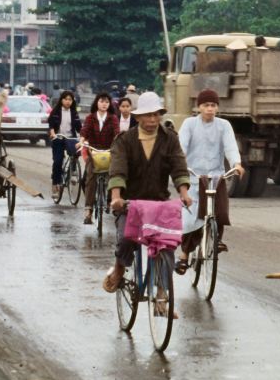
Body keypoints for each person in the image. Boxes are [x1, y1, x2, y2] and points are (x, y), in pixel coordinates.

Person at [102, 92, 192, 298]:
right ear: (138, 117)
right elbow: (117, 171)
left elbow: (179, 167)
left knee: (166, 245)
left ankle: (161, 292)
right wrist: (116, 197)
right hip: (129, 203)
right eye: (147, 115)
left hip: (158, 203)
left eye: (156, 115)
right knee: (126, 238)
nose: (152, 120)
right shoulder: (124, 140)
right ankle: (119, 267)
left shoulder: (170, 139)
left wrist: (184, 193)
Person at [177, 89, 244, 272]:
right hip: (193, 175)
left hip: (216, 175)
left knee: (219, 209)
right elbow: (181, 146)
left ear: (217, 107)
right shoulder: (190, 124)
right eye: (206, 105)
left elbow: (230, 146)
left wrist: (236, 164)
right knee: (191, 217)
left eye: (213, 105)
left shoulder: (224, 125)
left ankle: (217, 240)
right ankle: (184, 255)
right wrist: (179, 163)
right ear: (199, 107)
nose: (209, 109)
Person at [79, 92, 119, 224]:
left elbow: (116, 133)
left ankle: (109, 202)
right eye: (101, 101)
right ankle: (88, 212)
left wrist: (117, 145)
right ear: (97, 102)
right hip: (93, 151)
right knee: (89, 179)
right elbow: (84, 131)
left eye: (107, 102)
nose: (104, 104)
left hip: (109, 152)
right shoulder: (90, 117)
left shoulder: (113, 118)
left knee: (113, 176)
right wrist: (81, 141)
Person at [47, 90, 82, 202]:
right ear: (61, 100)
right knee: (57, 161)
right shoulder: (56, 111)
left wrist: (82, 137)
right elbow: (51, 125)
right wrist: (53, 134)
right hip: (58, 138)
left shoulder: (74, 112)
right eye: (66, 99)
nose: (68, 102)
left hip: (70, 138)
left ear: (72, 101)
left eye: (70, 100)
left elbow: (79, 127)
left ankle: (73, 170)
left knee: (76, 151)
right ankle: (55, 185)